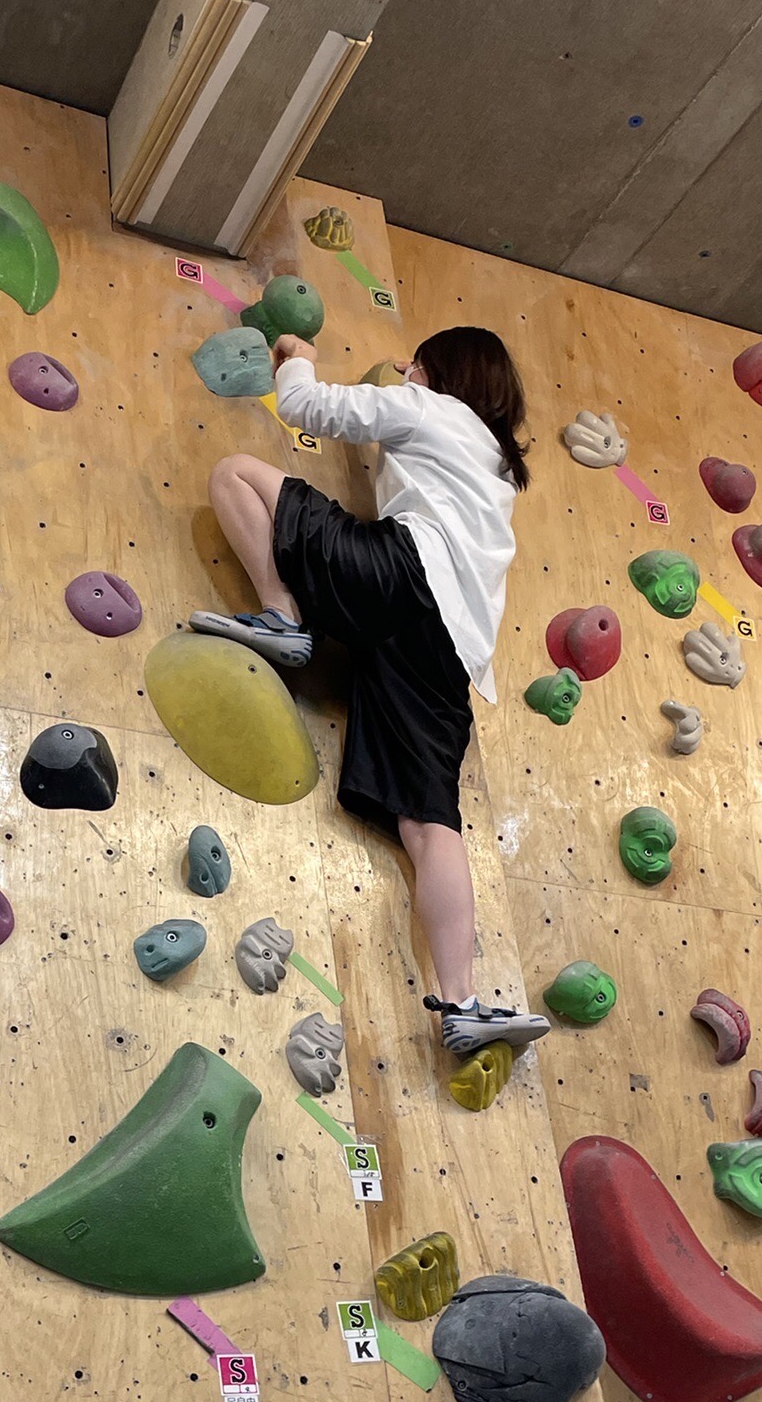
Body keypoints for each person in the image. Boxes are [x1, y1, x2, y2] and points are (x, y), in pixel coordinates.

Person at [193, 324, 548, 1057]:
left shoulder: (429, 408)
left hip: (400, 575)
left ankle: (281, 616)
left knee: (234, 473)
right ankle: (462, 1004)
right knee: (431, 825)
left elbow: (308, 409)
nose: (405, 369)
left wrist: (300, 361)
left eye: (418, 362)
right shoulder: (496, 472)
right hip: (451, 651)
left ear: (440, 373)